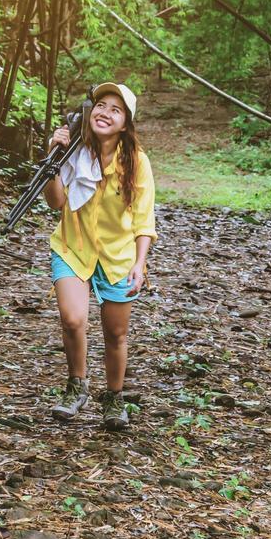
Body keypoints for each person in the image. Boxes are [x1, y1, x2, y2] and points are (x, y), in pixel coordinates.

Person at [42, 82, 156, 430]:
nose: (105, 112)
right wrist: (51, 156)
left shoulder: (136, 162)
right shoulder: (73, 150)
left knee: (115, 334)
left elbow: (143, 219)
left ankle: (114, 397)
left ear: (125, 124)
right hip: (72, 247)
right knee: (73, 319)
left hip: (117, 257)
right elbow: (56, 202)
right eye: (101, 105)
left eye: (116, 109)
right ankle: (76, 387)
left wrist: (140, 263)